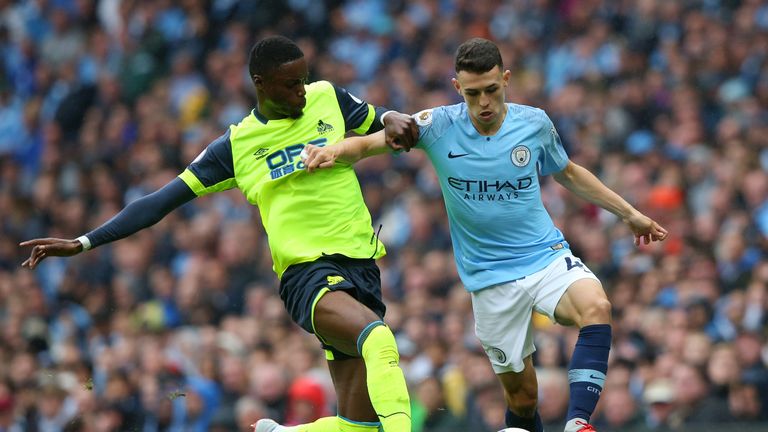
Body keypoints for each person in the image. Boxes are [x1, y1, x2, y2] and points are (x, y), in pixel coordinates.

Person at [20, 35, 418, 432]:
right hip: (308, 273)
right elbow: (158, 202)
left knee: (360, 426)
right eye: (289, 85)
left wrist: (390, 118)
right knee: (378, 339)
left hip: (362, 265)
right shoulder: (236, 145)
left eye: (303, 80)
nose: (301, 91)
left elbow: (377, 119)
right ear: (260, 83)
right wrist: (84, 241)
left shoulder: (327, 96)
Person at [302, 37, 669, 432]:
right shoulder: (436, 125)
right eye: (473, 93)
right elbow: (369, 144)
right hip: (489, 281)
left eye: (492, 90)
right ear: (457, 88)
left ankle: (577, 423)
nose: (484, 103)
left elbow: (570, 173)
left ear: (506, 80)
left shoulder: (534, 124)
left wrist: (629, 214)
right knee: (523, 398)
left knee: (596, 305)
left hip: (544, 256)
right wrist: (333, 151)